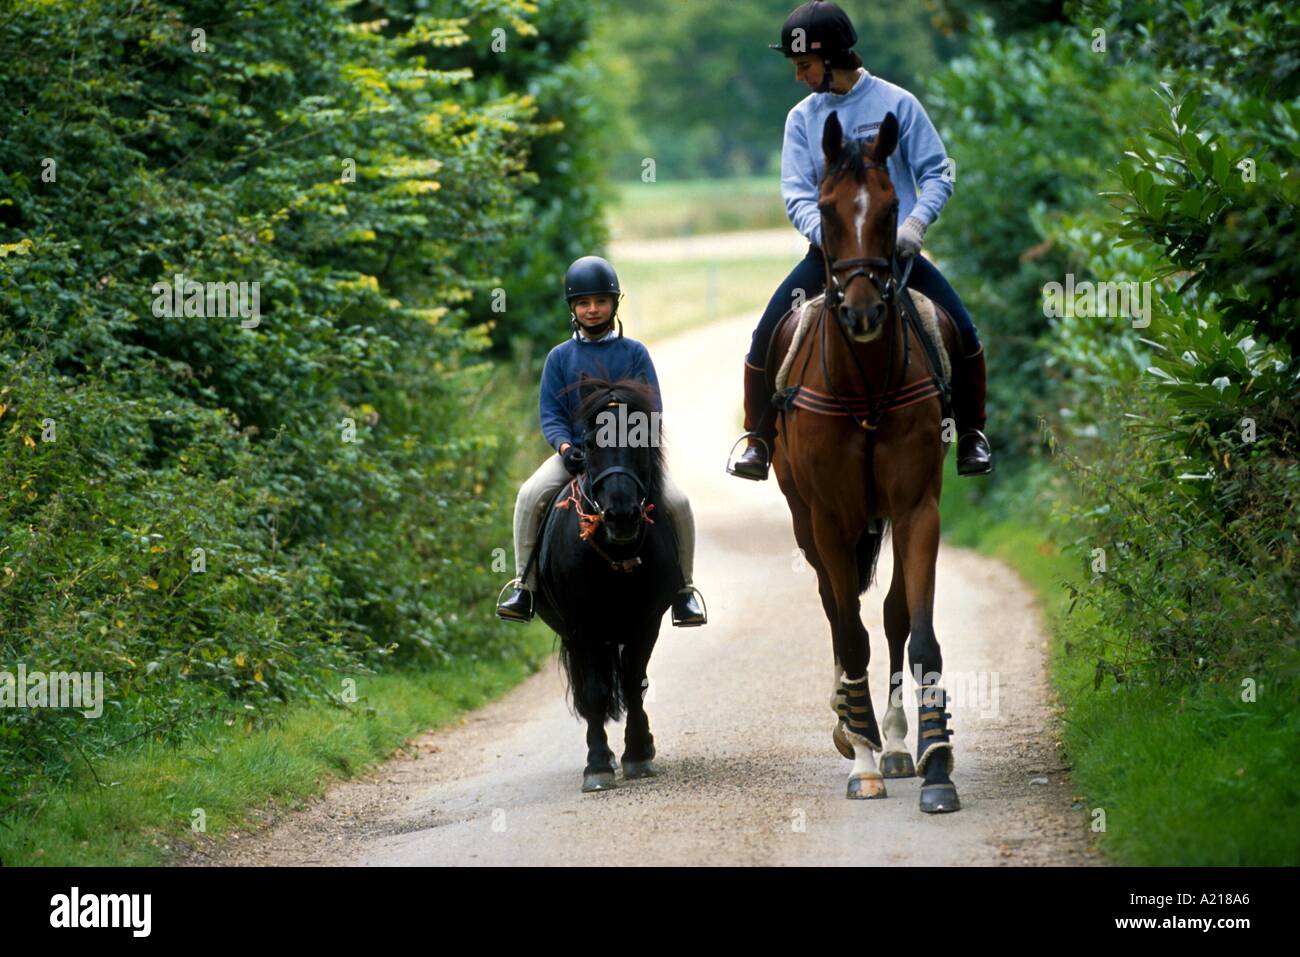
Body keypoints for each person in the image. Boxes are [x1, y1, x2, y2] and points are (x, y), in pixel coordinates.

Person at [728, 0, 992, 481]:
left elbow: (937, 174)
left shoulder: (898, 103)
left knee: (965, 330)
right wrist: (829, 241)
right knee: (764, 336)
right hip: (830, 257)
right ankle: (760, 440)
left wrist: (915, 225)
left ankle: (972, 433)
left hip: (897, 255)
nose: (799, 76)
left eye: (804, 66)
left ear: (832, 59)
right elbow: (796, 194)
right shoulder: (801, 120)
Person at [496, 255, 707, 627]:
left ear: (614, 304)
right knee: (529, 496)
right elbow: (551, 415)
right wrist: (565, 448)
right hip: (576, 454)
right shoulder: (560, 357)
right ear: (573, 308)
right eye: (583, 303)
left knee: (678, 502)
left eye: (600, 302)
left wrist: (635, 450)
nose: (592, 310)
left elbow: (651, 410)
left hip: (628, 454)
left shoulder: (635, 353)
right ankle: (524, 587)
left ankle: (684, 591)